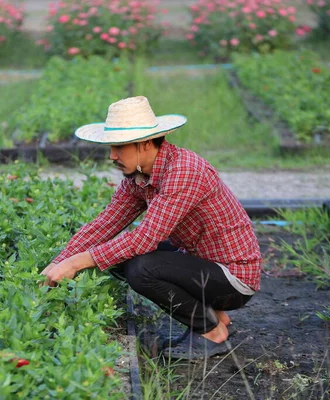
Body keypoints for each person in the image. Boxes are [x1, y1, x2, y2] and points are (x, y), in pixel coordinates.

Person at [40, 96, 261, 359]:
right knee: (115, 257)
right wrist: (57, 265)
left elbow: (144, 239)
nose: (112, 156)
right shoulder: (139, 176)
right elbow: (104, 225)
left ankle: (212, 332)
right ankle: (217, 319)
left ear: (145, 143)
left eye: (119, 147)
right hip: (202, 264)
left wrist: (76, 263)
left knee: (141, 268)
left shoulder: (183, 171)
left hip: (233, 277)